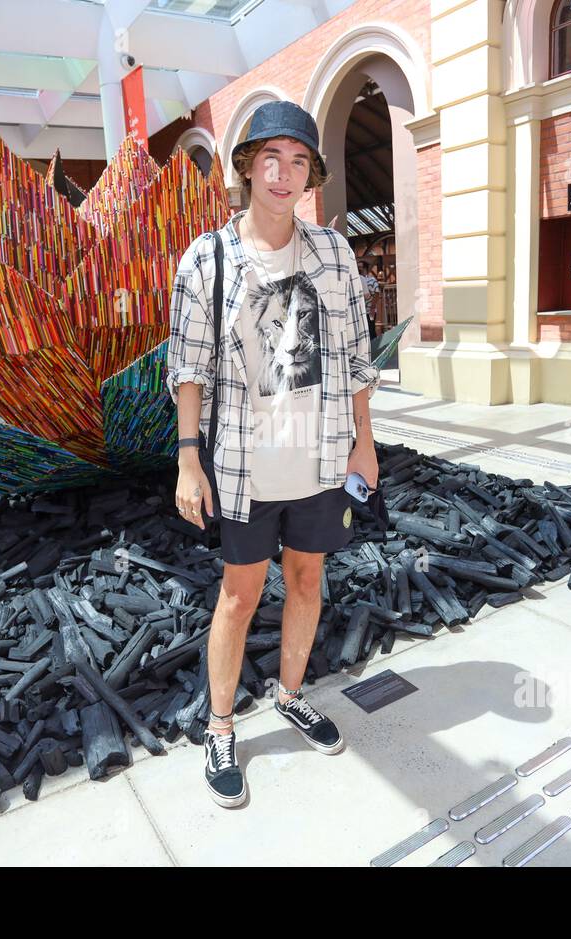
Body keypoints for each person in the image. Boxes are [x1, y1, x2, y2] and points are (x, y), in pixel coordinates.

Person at [166, 100, 381, 808]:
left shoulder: (333, 253)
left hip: (319, 459)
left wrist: (365, 442)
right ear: (247, 168)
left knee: (309, 580)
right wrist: (188, 458)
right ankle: (221, 726)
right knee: (239, 592)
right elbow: (189, 367)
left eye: (297, 162)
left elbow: (354, 357)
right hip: (246, 463)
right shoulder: (209, 258)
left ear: (310, 174)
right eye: (270, 160)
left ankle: (291, 694)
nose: (283, 175)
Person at [360, 260, 381, 341]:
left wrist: (372, 307)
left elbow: (377, 293)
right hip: (361, 311)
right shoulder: (358, 280)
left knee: (371, 328)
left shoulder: (372, 280)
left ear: (365, 268)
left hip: (369, 310)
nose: (358, 268)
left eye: (360, 267)